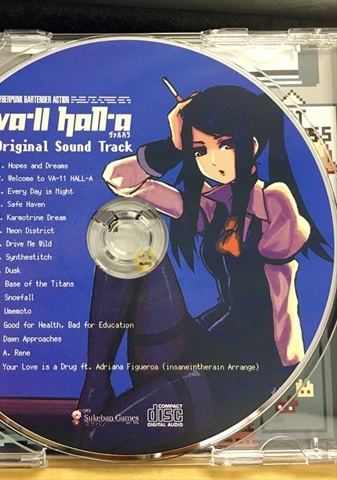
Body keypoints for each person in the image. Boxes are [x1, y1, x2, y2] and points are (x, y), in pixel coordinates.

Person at [75, 85, 332, 455]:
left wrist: (289, 385)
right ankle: (96, 383)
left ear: (252, 145)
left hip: (249, 372)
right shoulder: (211, 207)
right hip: (204, 344)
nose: (213, 161)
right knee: (129, 240)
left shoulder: (274, 202)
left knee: (100, 438)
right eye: (199, 150)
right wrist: (172, 145)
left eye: (225, 144)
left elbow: (284, 293)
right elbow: (120, 179)